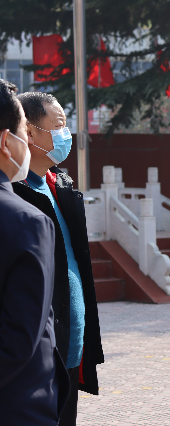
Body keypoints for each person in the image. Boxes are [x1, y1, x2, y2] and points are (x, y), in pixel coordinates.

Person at [13, 91, 104, 426]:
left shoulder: (60, 185)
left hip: (72, 345)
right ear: (30, 132)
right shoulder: (16, 193)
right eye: (59, 125)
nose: (66, 135)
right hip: (37, 350)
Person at [0, 79, 69, 424]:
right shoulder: (26, 221)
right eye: (21, 132)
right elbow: (18, 339)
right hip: (17, 403)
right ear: (7, 141)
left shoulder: (63, 187)